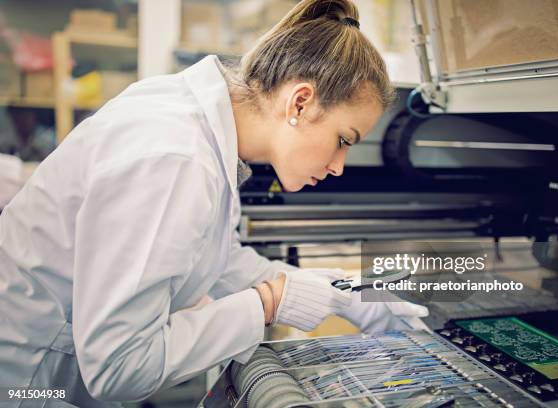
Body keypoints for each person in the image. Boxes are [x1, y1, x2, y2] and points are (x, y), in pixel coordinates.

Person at [0, 1, 428, 406]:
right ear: (300, 101)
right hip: (27, 382)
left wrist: (342, 294)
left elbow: (212, 258)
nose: (339, 166)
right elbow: (119, 365)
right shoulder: (175, 156)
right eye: (343, 141)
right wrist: (268, 303)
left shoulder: (202, 126)